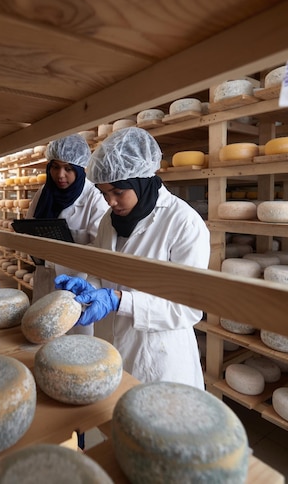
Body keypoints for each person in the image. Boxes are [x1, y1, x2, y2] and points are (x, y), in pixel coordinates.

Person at [56, 127, 209, 389]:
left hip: (158, 358)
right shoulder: (110, 221)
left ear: (139, 179)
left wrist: (119, 300)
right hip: (112, 349)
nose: (110, 202)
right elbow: (103, 268)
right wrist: (90, 285)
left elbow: (187, 308)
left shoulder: (183, 222)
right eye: (104, 193)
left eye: (117, 192)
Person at [26, 134, 109, 335]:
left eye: (68, 168)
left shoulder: (94, 198)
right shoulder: (44, 193)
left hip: (76, 285)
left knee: (76, 349)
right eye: (55, 167)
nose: (60, 175)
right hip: (45, 279)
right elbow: (29, 227)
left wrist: (60, 255)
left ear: (80, 168)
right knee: (43, 337)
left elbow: (101, 246)